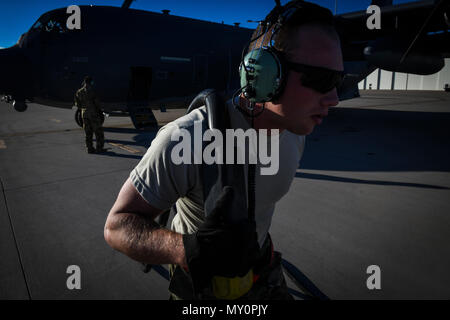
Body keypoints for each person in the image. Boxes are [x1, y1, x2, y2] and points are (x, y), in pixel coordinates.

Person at [104, 0, 344, 300]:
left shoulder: (296, 133)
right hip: (203, 288)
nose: (334, 98)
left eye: (338, 81)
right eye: (320, 79)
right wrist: (185, 250)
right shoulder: (187, 137)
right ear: (265, 74)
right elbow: (116, 227)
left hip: (261, 265)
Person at [74, 76, 106, 153]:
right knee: (98, 131)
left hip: (84, 114)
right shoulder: (93, 91)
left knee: (88, 132)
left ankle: (90, 148)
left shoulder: (79, 91)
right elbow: (97, 103)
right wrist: (100, 111)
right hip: (93, 113)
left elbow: (77, 104)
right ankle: (99, 148)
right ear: (90, 82)